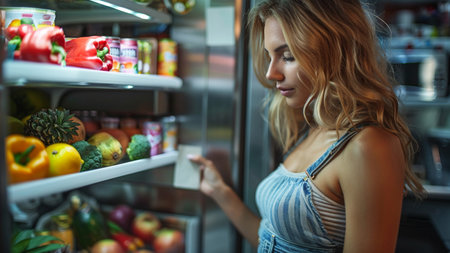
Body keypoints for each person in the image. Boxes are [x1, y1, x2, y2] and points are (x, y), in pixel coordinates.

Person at [189, 0, 425, 252]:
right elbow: (271, 241)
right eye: (270, 56)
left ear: (335, 51)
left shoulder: (368, 145)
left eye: (287, 56)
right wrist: (220, 192)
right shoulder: (315, 129)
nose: (271, 73)